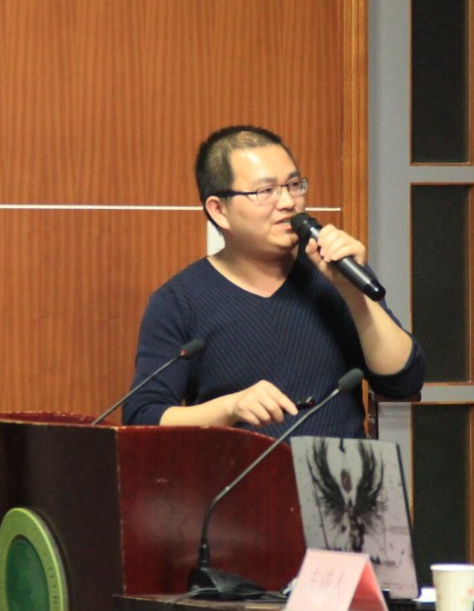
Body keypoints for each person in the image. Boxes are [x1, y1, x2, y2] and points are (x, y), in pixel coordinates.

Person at [122, 125, 425, 438]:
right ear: (219, 210)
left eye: (294, 185)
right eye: (265, 191)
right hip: (240, 468)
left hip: (337, 468)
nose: (288, 202)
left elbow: (404, 382)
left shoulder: (334, 270)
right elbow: (142, 417)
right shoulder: (179, 301)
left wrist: (352, 293)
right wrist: (229, 408)